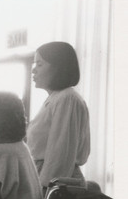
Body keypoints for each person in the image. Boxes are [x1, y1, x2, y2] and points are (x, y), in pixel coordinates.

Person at [27, 41, 90, 189]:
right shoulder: (55, 98)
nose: (33, 70)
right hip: (45, 178)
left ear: (58, 67)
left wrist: (44, 190)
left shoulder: (66, 98)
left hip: (55, 185)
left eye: (40, 64)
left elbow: (60, 155)